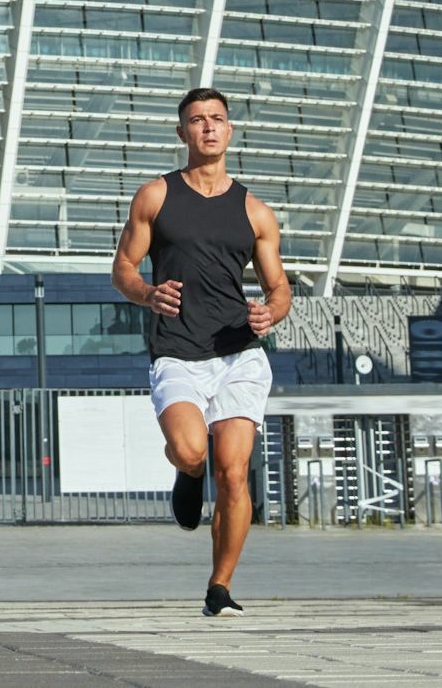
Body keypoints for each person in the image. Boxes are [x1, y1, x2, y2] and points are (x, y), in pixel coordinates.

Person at [112, 87, 290, 618]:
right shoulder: (156, 197)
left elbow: (279, 289)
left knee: (234, 472)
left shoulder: (256, 212)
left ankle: (220, 586)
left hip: (239, 352)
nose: (208, 127)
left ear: (229, 131)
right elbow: (122, 268)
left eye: (217, 119)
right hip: (178, 351)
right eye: (197, 120)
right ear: (182, 133)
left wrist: (270, 312)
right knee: (193, 452)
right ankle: (186, 474)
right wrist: (147, 293)